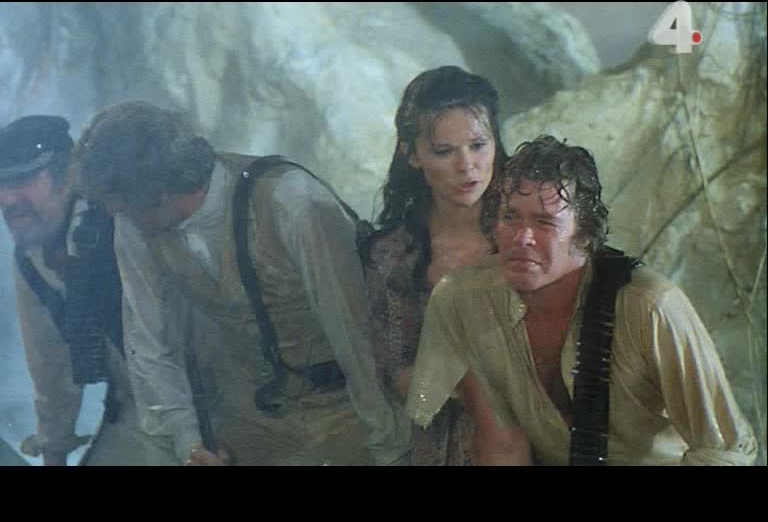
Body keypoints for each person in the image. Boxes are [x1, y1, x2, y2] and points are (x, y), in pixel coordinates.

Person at [76, 101, 410, 466]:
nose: (112, 212)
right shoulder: (134, 224)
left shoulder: (289, 201)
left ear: (157, 192)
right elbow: (149, 339)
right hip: (254, 412)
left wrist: (389, 446)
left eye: (118, 202)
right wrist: (188, 440)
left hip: (346, 404)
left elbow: (356, 331)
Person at [405, 134, 758, 466]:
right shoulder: (463, 299)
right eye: (510, 217)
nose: (522, 238)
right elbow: (451, 420)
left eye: (544, 222)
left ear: (584, 235)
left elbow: (726, 451)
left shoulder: (650, 306)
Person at [0, 115, 175, 465]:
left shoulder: (123, 220)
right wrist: (54, 450)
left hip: (207, 393)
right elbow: (50, 367)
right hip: (136, 406)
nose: (7, 199)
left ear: (67, 176)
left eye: (21, 181)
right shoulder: (31, 258)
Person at [364, 65, 509, 465]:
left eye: (478, 144)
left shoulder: (532, 231)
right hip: (447, 446)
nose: (467, 166)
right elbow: (398, 378)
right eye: (444, 152)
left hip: (547, 436)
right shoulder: (395, 254)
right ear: (412, 155)